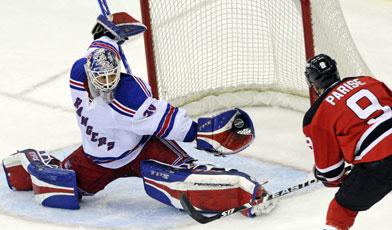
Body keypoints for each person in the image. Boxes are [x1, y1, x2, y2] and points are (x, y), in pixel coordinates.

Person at [2, 12, 275, 217]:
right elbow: (99, 47)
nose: (107, 84)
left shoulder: (125, 93)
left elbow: (170, 124)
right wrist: (109, 33)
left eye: (112, 76)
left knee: (183, 175)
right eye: (102, 78)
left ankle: (240, 190)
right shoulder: (83, 74)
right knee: (60, 188)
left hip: (143, 149)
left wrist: (197, 132)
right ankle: (26, 164)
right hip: (97, 160)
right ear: (90, 73)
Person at [303, 54, 392, 230]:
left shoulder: (316, 116)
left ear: (313, 86)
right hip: (380, 157)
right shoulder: (368, 81)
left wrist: (329, 176)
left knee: (340, 211)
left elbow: (331, 173)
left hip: (379, 163)